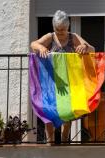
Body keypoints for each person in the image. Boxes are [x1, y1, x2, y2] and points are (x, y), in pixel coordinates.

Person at [30, 10, 95, 142]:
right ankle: (51, 140)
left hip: (68, 81)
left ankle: (65, 139)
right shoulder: (50, 36)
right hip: (51, 81)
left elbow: (92, 49)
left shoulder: (73, 37)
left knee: (67, 110)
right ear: (54, 27)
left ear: (68, 27)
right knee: (48, 109)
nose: (60, 32)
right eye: (58, 29)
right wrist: (41, 48)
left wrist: (84, 47)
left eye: (63, 29)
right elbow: (33, 44)